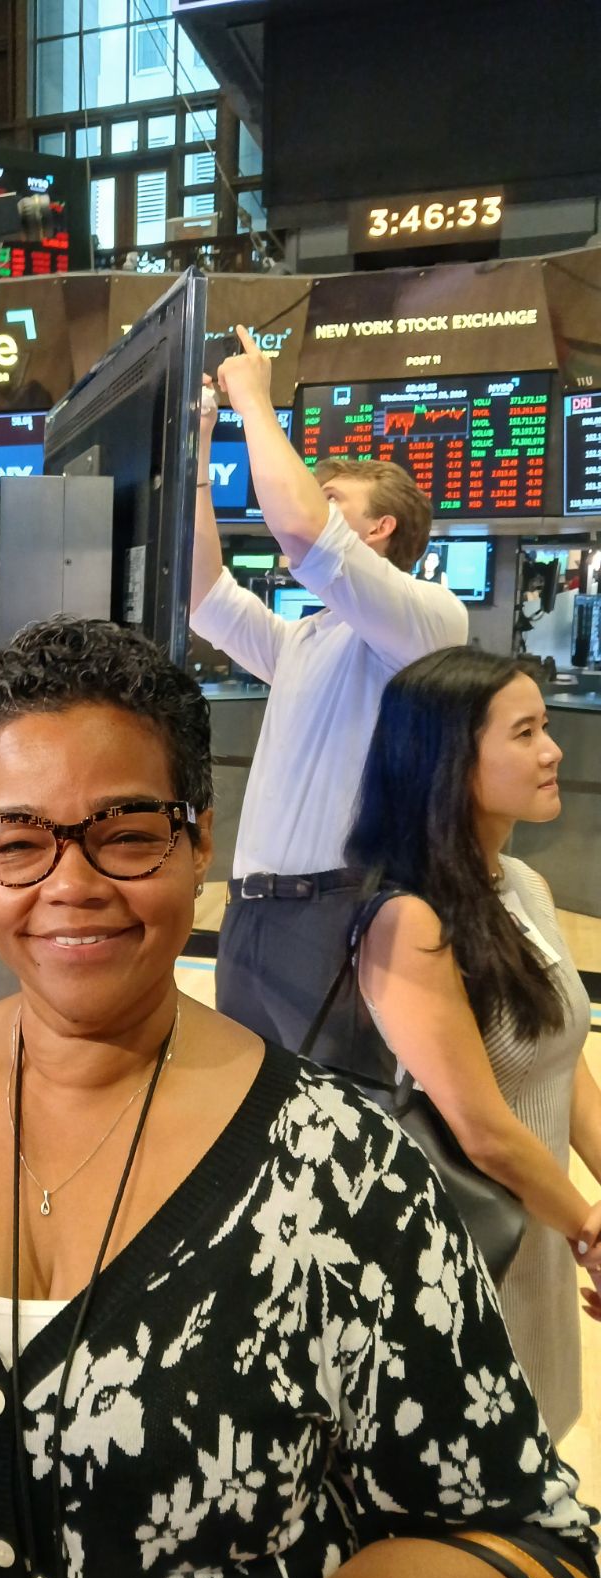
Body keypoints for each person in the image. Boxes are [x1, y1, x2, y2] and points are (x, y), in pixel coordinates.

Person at [0, 617, 598, 1578]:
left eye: (126, 835)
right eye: (18, 840)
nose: (71, 886)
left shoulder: (345, 1172)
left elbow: (530, 1537)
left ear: (199, 840)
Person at [191, 327, 468, 1067]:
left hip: (340, 909)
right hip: (251, 909)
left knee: (339, 1109)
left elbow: (301, 529)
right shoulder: (305, 639)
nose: (313, 501)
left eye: (333, 496)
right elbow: (202, 594)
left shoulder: (428, 618)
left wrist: (254, 399)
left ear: (380, 529)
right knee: (246, 1101)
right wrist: (198, 449)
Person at [345, 645, 601, 1441]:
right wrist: (588, 1230)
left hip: (541, 1234)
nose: (552, 752)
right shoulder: (407, 922)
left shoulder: (525, 886)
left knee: (544, 1432)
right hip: (472, 1251)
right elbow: (483, 1128)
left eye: (546, 728)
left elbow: (564, 1063)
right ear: (450, 761)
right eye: (525, 733)